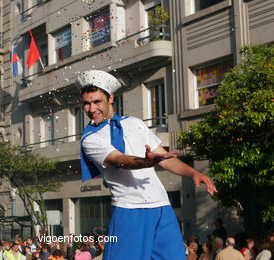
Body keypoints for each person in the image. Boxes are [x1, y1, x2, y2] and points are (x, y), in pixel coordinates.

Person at [77, 70, 217, 260]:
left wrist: (193, 172)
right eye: (87, 103)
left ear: (110, 98)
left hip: (162, 207)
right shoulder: (90, 138)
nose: (91, 109)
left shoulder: (135, 123)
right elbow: (120, 160)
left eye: (97, 102)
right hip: (129, 210)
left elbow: (164, 158)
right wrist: (145, 162)